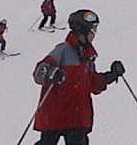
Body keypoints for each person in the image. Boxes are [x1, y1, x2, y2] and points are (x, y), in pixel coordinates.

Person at [32, 9, 125, 145]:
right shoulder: (62, 50)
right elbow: (39, 74)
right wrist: (52, 72)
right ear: (81, 30)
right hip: (55, 115)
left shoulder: (88, 57)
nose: (94, 34)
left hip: (76, 119)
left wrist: (111, 75)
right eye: (92, 30)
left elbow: (92, 84)